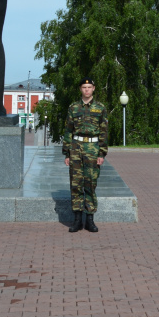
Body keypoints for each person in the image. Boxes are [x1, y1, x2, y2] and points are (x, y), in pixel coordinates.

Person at [63, 78, 109, 233]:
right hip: (76, 147)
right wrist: (67, 152)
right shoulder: (73, 107)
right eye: (84, 87)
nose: (87, 90)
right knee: (76, 184)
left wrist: (102, 152)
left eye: (89, 87)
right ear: (80, 89)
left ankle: (89, 219)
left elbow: (104, 131)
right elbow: (68, 130)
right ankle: (77, 220)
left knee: (90, 183)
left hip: (93, 148)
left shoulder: (100, 108)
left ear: (94, 89)